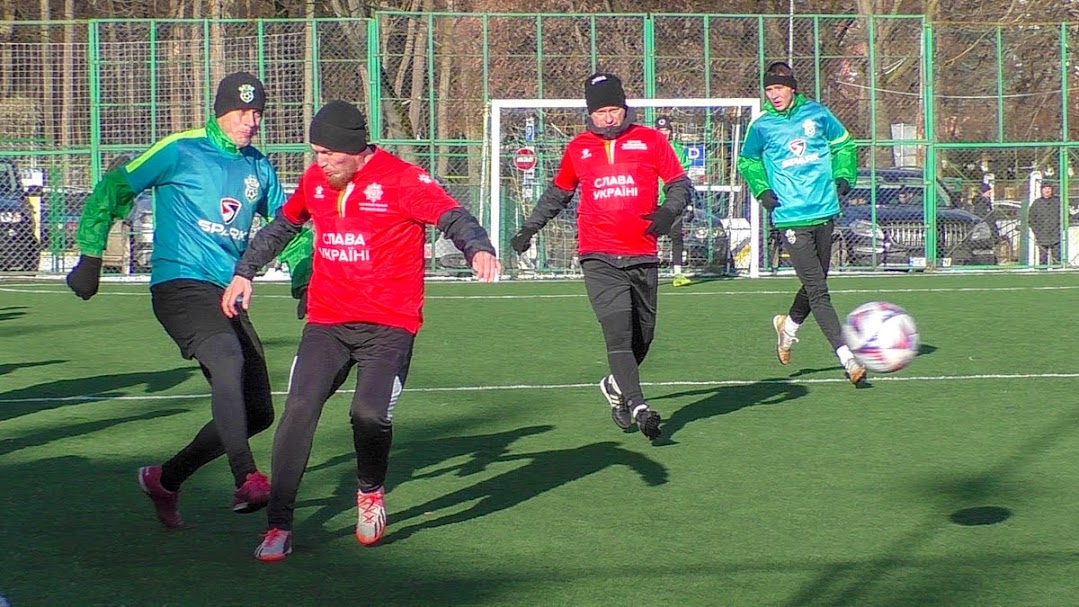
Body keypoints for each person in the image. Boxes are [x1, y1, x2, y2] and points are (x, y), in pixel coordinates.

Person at [219, 100, 501, 561]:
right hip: (328, 321)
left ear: (355, 149)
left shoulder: (404, 181)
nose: (320, 162)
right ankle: (279, 526)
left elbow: (454, 216)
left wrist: (477, 248)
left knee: (368, 414)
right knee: (299, 408)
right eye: (315, 152)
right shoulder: (316, 181)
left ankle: (370, 492)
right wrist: (245, 270)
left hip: (390, 326)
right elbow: (282, 227)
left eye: (328, 153)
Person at [65, 72, 283, 528]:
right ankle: (245, 477)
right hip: (178, 285)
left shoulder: (259, 167)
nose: (251, 121)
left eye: (258, 112)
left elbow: (288, 226)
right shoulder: (180, 148)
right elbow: (116, 186)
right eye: (242, 112)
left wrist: (305, 277)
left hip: (227, 293)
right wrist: (91, 254)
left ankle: (165, 478)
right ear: (220, 111)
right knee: (226, 358)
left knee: (259, 410)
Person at [509, 73, 694, 440]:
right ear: (589, 114)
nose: (609, 118)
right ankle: (639, 406)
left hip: (642, 254)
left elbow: (680, 184)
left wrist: (668, 212)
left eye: (614, 109)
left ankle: (615, 385)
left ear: (625, 108)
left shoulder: (651, 140)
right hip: (599, 255)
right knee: (618, 334)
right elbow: (558, 193)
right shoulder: (578, 149)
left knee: (644, 338)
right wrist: (530, 227)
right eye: (601, 112)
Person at [736, 61, 863, 385]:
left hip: (824, 209)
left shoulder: (818, 115)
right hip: (790, 216)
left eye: (778, 88)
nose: (774, 94)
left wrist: (844, 176)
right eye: (769, 89)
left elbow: (844, 144)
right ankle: (848, 359)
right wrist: (761, 188)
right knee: (819, 292)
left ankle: (788, 326)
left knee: (814, 282)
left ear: (792, 87)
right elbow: (747, 160)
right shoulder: (762, 125)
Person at [655, 115, 695, 287]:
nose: (663, 133)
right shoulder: (649, 148)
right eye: (660, 130)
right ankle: (648, 272)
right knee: (649, 236)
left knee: (676, 235)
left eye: (666, 130)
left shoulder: (678, 150)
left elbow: (683, 174)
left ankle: (678, 273)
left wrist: (686, 198)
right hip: (653, 198)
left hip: (674, 200)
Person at [1028, 183, 1061, 265]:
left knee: (1057, 258)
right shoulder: (1036, 203)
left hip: (1056, 235)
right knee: (1043, 259)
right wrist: (1037, 232)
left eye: (1049, 188)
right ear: (1042, 190)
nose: (1047, 190)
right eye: (1045, 188)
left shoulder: (1057, 201)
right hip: (1042, 236)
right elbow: (1031, 219)